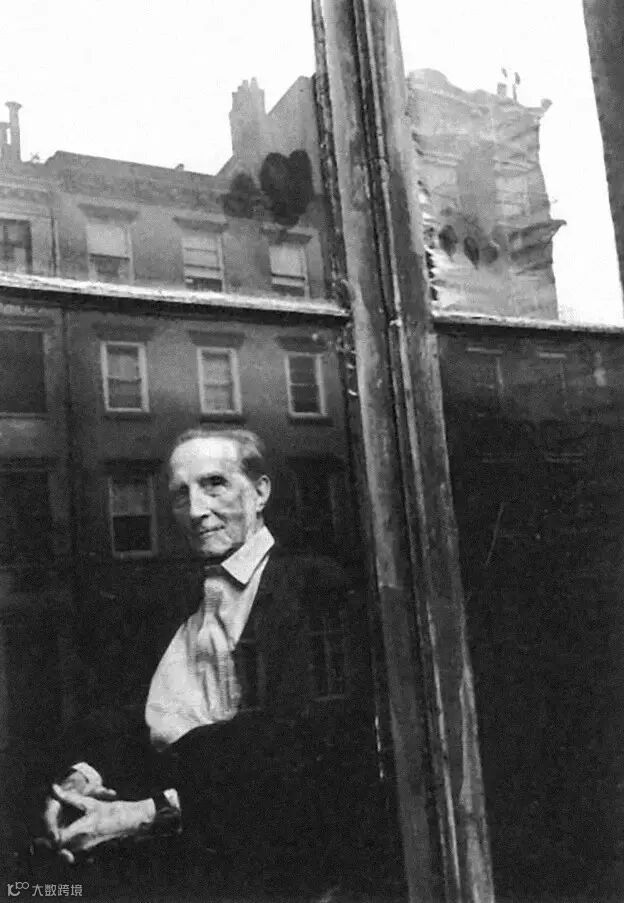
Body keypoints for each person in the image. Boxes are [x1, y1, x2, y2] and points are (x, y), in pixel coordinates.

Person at [38, 428, 376, 892]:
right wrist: (78, 782)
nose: (196, 510)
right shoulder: (175, 597)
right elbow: (143, 717)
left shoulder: (317, 586)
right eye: (181, 494)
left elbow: (314, 752)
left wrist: (144, 815)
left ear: (260, 492)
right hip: (178, 871)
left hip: (278, 872)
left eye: (214, 484)